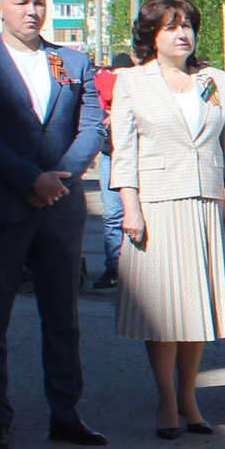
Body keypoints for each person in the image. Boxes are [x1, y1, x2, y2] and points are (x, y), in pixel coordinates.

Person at [0, 0, 108, 449]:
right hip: (3, 206)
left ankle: (66, 413)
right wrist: (30, 179)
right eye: (20, 3)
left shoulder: (72, 62)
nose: (32, 11)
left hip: (60, 208)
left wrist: (56, 178)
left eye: (38, 2)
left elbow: (92, 128)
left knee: (62, 316)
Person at [110, 0, 225, 439]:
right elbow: (123, 152)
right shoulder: (131, 81)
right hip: (158, 204)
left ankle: (190, 396)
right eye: (171, 27)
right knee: (165, 309)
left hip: (206, 203)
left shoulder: (213, 79)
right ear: (151, 36)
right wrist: (130, 207)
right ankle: (167, 399)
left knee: (197, 306)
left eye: (187, 26)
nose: (182, 34)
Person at [90, 53, 135, 290]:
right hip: (110, 154)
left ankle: (130, 268)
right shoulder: (105, 83)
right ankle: (114, 267)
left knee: (118, 214)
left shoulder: (138, 84)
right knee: (113, 214)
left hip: (133, 155)